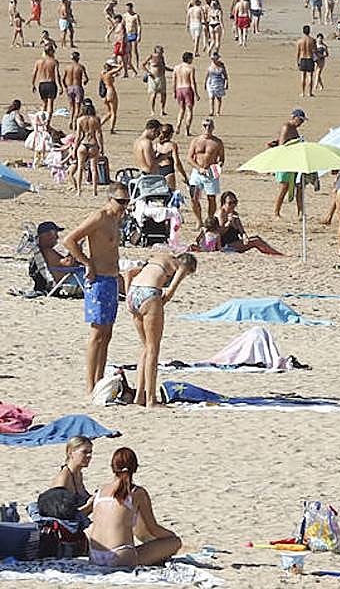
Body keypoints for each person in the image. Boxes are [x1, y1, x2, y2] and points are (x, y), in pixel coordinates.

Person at [63, 183, 129, 393]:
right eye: (120, 201)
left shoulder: (117, 219)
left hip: (110, 279)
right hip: (98, 279)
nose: (124, 206)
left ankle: (99, 381)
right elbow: (69, 240)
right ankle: (90, 385)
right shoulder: (99, 217)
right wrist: (87, 263)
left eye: (127, 202)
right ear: (110, 199)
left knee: (107, 334)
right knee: (97, 333)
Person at [87, 447, 180, 567]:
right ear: (135, 468)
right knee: (175, 542)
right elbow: (153, 529)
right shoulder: (137, 492)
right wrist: (170, 535)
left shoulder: (100, 491)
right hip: (120, 556)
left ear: (113, 468)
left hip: (95, 556)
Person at [126, 252, 197, 408]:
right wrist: (156, 306)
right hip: (149, 293)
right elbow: (170, 291)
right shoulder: (182, 266)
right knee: (153, 349)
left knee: (145, 348)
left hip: (133, 292)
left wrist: (127, 298)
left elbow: (129, 273)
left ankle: (139, 396)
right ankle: (151, 399)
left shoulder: (158, 258)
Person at [216, 191, 282, 255]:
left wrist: (245, 237)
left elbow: (242, 231)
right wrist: (229, 222)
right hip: (225, 245)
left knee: (257, 238)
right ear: (223, 203)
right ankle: (278, 254)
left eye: (235, 202)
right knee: (256, 241)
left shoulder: (233, 214)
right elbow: (220, 232)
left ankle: (273, 253)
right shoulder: (221, 213)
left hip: (235, 242)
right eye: (230, 203)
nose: (233, 205)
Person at [186, 118, 225, 225]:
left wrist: (218, 166)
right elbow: (189, 158)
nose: (207, 128)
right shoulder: (196, 141)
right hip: (197, 173)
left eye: (209, 126)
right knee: (194, 197)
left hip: (211, 173)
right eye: (205, 126)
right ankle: (199, 220)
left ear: (213, 127)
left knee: (211, 198)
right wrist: (199, 168)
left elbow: (221, 158)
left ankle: (210, 220)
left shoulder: (217, 142)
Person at [51, 436, 94, 516]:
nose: (89, 455)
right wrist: (89, 506)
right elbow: (61, 516)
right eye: (84, 452)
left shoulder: (78, 474)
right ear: (70, 453)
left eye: (90, 452)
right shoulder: (64, 478)